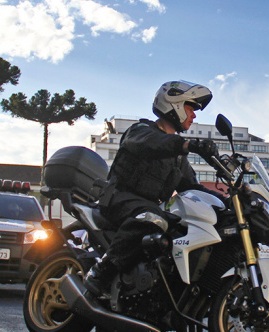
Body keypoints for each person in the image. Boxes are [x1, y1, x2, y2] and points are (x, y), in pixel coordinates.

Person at [84, 81, 219, 297]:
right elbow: (155, 143)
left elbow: (193, 188)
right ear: (173, 104)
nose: (194, 115)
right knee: (153, 217)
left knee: (179, 230)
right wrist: (188, 145)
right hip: (119, 200)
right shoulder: (140, 131)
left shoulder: (177, 157)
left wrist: (228, 200)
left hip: (145, 210)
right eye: (190, 108)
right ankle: (101, 272)